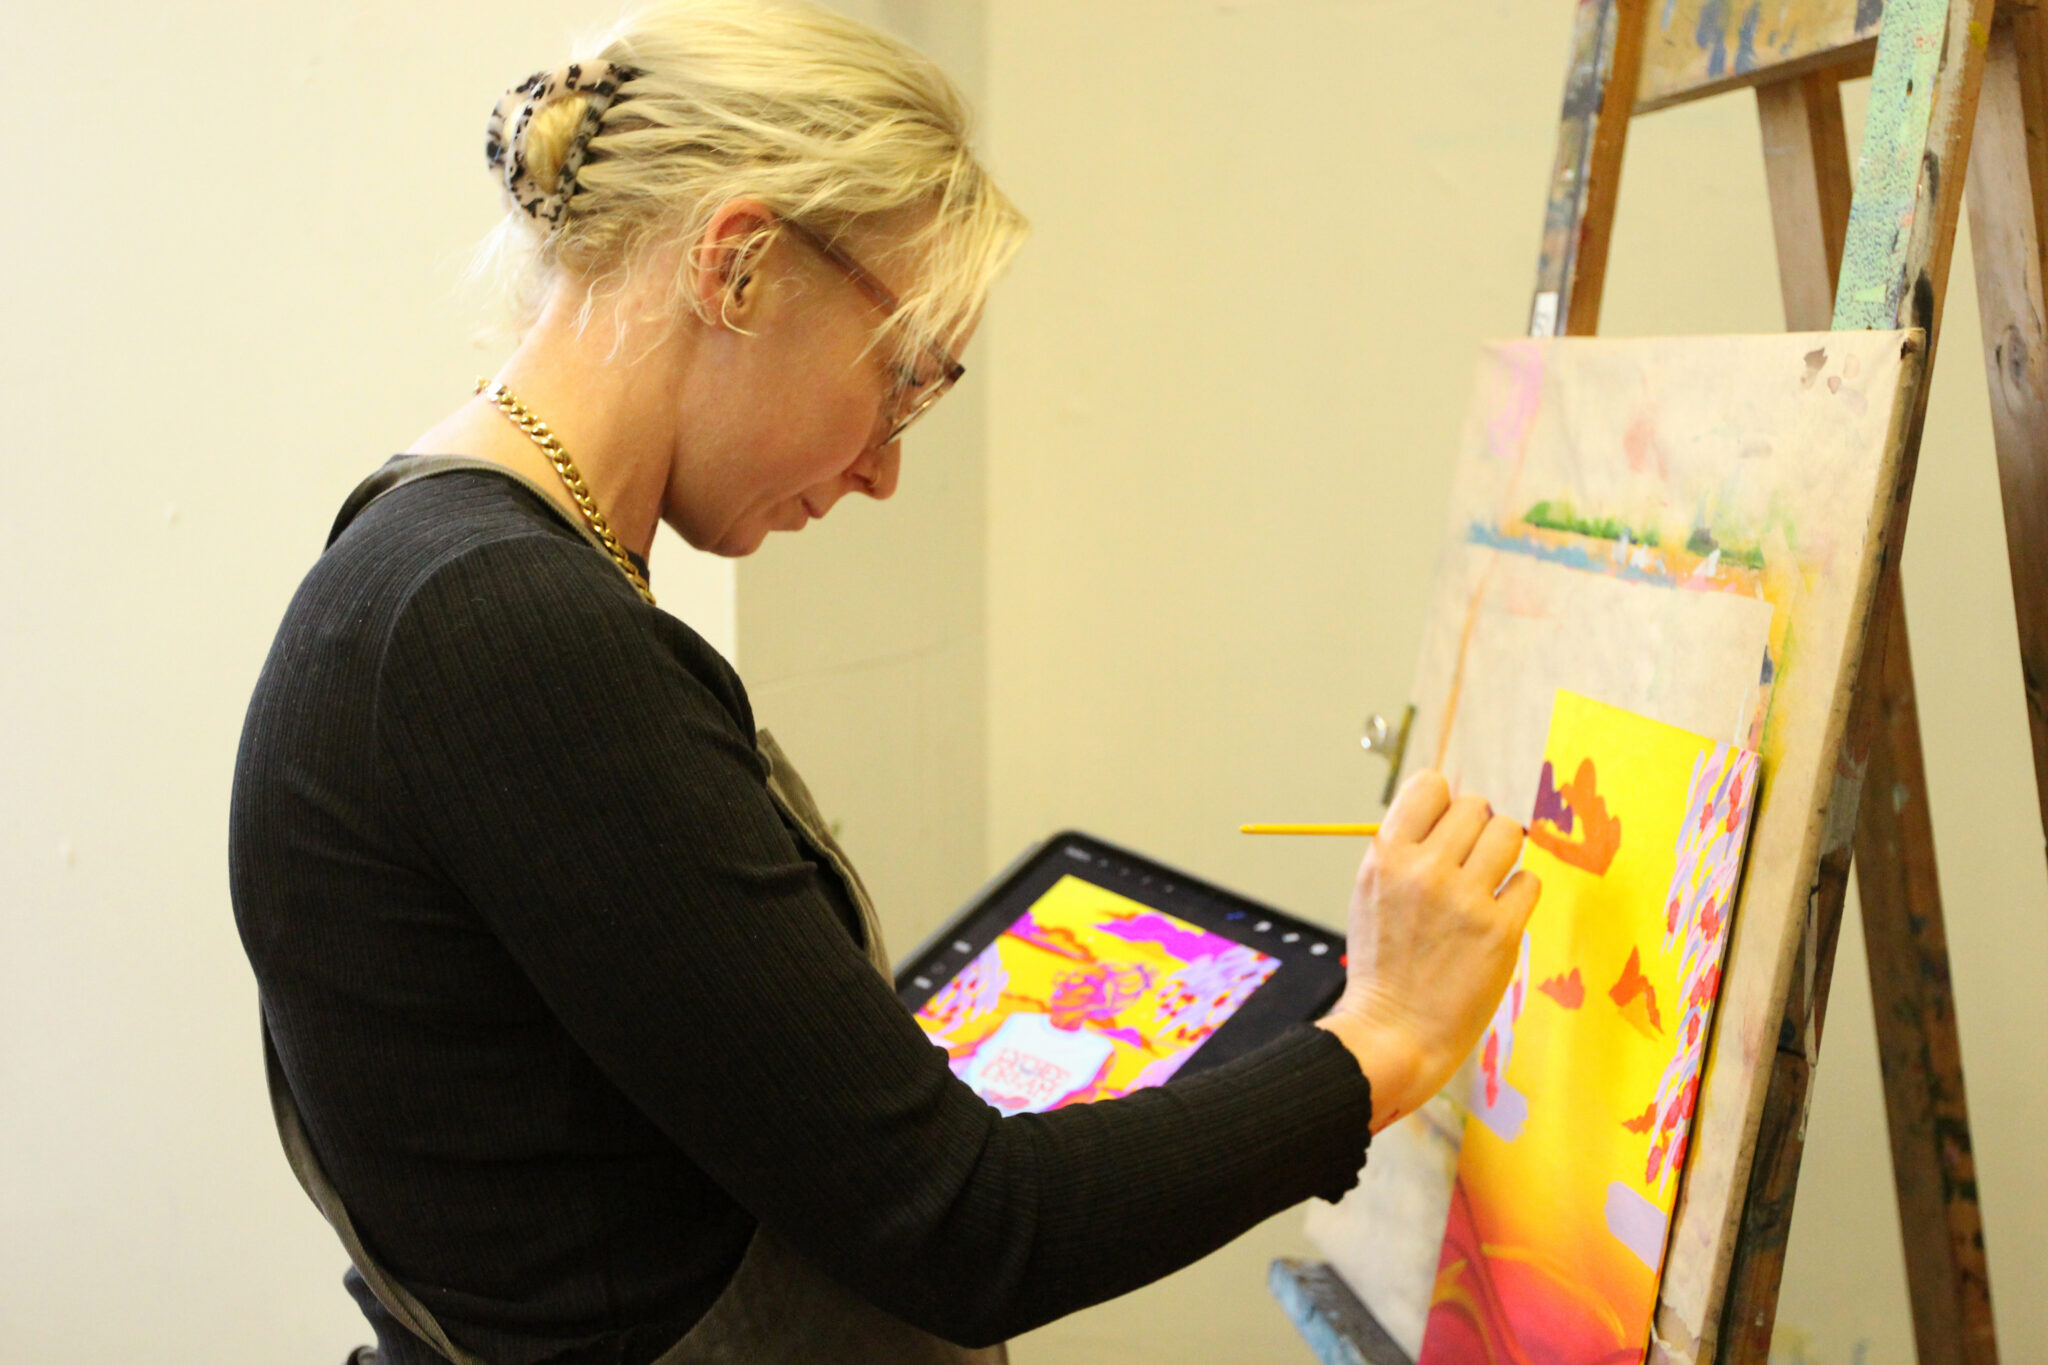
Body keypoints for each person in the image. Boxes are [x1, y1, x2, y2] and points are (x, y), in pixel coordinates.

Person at [229, 3, 1540, 1362]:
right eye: (902, 378)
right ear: (740, 268)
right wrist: (1385, 1036)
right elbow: (970, 1229)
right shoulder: (500, 626)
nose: (885, 468)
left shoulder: (448, 566)